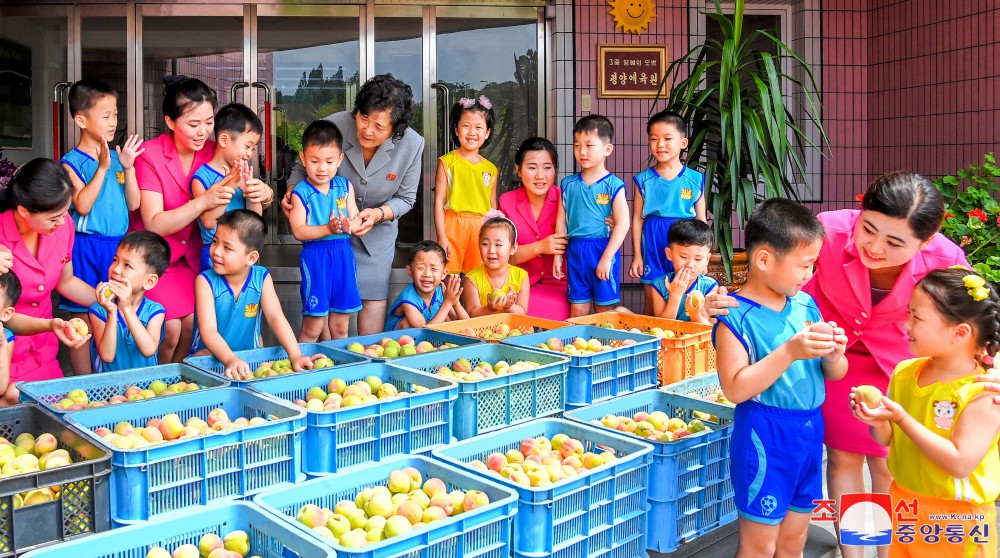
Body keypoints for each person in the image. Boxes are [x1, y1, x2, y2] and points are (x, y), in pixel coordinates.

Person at [708, 172, 969, 558]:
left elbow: (974, 317)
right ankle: (855, 555)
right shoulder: (825, 233)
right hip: (823, 357)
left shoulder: (945, 258)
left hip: (896, 362)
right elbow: (775, 283)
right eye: (868, 229)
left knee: (887, 466)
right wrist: (719, 302)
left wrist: (987, 365)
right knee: (844, 459)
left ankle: (886, 552)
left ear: (925, 241)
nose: (875, 247)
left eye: (894, 242)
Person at [713, 198, 848, 558]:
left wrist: (836, 353)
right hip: (764, 436)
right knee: (760, 546)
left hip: (808, 432)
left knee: (794, 542)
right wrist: (789, 351)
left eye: (813, 265)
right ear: (763, 260)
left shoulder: (805, 305)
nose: (810, 274)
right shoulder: (735, 318)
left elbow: (834, 373)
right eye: (804, 265)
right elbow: (735, 389)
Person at [851, 267, 999, 557]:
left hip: (958, 519)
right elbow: (887, 439)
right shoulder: (906, 372)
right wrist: (877, 418)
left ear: (959, 332)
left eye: (917, 317)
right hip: (905, 503)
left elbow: (960, 463)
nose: (906, 325)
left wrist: (900, 418)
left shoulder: (982, 393)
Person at [285, 74, 424, 335]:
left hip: (375, 239)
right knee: (326, 321)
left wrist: (378, 214)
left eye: (380, 126)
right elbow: (301, 166)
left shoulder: (412, 144)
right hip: (327, 238)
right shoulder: (333, 125)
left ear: (396, 128)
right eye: (364, 118)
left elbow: (406, 199)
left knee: (369, 332)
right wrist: (292, 192)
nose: (368, 130)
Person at [135, 76, 244, 364]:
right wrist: (204, 202)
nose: (204, 132)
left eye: (209, 122)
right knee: (170, 329)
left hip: (196, 260)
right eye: (193, 124)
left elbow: (242, 187)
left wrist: (266, 194)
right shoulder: (150, 155)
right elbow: (154, 223)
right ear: (170, 122)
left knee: (192, 325)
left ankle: (180, 382)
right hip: (155, 260)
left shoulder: (214, 150)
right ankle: (155, 384)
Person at [59, 78, 145, 375]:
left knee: (114, 310)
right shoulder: (71, 162)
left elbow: (133, 204)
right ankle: (83, 381)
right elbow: (82, 204)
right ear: (80, 120)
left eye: (116, 115)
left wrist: (129, 167)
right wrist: (104, 168)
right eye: (106, 116)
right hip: (85, 246)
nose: (113, 122)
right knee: (81, 316)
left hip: (117, 247)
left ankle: (109, 376)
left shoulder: (120, 160)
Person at [0, 159, 95, 396]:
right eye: (53, 218)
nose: (62, 222)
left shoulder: (64, 226)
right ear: (23, 210)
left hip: (44, 350)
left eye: (65, 214)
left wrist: (108, 300)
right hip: (6, 353)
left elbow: (67, 282)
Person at [191, 210, 311, 380]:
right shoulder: (205, 281)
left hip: (249, 360)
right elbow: (209, 331)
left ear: (251, 258)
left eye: (227, 247)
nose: (216, 251)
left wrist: (295, 355)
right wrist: (230, 359)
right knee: (200, 358)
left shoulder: (261, 277)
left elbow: (276, 317)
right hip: (211, 357)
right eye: (215, 241)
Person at [287, 120, 364, 341]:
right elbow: (299, 231)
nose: (322, 168)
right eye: (314, 161)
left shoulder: (344, 186)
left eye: (330, 161)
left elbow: (356, 217)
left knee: (341, 326)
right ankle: (302, 367)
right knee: (313, 326)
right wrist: (328, 229)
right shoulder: (300, 192)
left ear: (340, 159)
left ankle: (338, 370)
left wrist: (352, 225)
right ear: (303, 158)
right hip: (316, 258)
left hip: (343, 256)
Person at [629, 110, 706, 314]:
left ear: (683, 143)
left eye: (667, 138)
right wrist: (637, 255)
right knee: (651, 293)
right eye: (654, 139)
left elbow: (701, 219)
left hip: (685, 240)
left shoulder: (695, 179)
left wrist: (704, 256)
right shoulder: (643, 180)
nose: (660, 144)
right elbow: (637, 218)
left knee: (688, 292)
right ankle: (650, 339)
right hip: (654, 239)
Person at [554, 115, 629, 317]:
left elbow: (623, 224)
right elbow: (561, 221)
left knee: (604, 311)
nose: (582, 151)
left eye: (589, 145)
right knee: (578, 309)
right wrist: (557, 256)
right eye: (577, 145)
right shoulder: (568, 184)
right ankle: (578, 348)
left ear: (607, 149)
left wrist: (607, 257)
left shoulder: (614, 185)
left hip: (602, 249)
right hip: (576, 250)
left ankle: (603, 348)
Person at [191, 102, 271, 272]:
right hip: (217, 252)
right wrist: (231, 185)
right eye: (247, 146)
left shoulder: (242, 174)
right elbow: (208, 221)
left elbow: (254, 219)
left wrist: (252, 194)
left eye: (253, 148)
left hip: (244, 250)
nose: (250, 153)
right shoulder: (202, 178)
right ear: (224, 140)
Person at [498, 137, 570, 320]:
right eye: (532, 167)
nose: (540, 176)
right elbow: (503, 257)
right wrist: (540, 247)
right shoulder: (506, 202)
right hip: (518, 286)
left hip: (561, 286)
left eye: (547, 167)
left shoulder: (568, 199)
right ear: (518, 170)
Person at [434, 96, 497, 274]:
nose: (472, 132)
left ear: (487, 133)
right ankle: (449, 304)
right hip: (452, 224)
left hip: (481, 228)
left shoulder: (491, 169)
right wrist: (442, 236)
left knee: (476, 278)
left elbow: (493, 207)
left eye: (478, 127)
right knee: (448, 276)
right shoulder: (447, 162)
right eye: (466, 126)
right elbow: (439, 202)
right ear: (456, 129)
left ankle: (472, 304)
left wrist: (494, 236)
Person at [90, 231, 168, 372]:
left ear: (149, 281)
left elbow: (149, 349)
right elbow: (107, 356)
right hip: (110, 389)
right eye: (115, 260)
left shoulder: (155, 311)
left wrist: (126, 308)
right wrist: (112, 313)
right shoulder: (99, 310)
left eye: (127, 265)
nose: (116, 269)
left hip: (146, 389)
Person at [385, 240, 470, 330]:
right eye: (421, 268)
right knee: (407, 323)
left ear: (444, 274)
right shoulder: (407, 300)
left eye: (434, 269)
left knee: (446, 317)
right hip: (399, 341)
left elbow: (467, 325)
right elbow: (425, 331)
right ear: (410, 271)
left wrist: (455, 302)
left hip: (428, 337)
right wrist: (448, 303)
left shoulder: (441, 292)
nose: (427, 274)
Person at [650, 219, 717, 323]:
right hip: (669, 338)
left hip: (696, 338)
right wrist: (675, 296)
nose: (690, 265)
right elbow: (662, 326)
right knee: (620, 310)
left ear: (707, 259)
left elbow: (706, 328)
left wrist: (694, 314)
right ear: (669, 254)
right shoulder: (659, 285)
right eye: (683, 257)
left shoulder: (709, 287)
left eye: (698, 259)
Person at [462, 215, 530, 316]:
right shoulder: (471, 279)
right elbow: (472, 313)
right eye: (485, 244)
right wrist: (489, 309)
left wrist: (509, 306)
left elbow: (522, 312)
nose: (491, 250)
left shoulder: (521, 276)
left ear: (513, 248)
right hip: (483, 330)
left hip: (511, 330)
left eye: (498, 245)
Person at [0, 272, 21, 405]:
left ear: (6, 313)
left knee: (15, 391)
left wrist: (2, 344)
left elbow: (1, 388)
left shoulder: (5, 338)